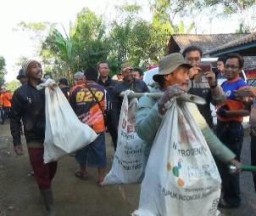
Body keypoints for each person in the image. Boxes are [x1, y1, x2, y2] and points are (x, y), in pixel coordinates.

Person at [135, 53, 240, 209]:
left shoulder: (187, 102)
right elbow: (143, 132)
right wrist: (162, 103)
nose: (188, 77)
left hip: (183, 172)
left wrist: (229, 158)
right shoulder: (149, 99)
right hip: (158, 174)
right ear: (168, 76)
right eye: (183, 73)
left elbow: (206, 134)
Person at [10, 59, 57, 216]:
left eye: (39, 66)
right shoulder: (21, 93)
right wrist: (17, 142)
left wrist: (55, 90)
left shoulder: (49, 87)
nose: (39, 68)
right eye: (34, 67)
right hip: (34, 139)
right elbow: (15, 118)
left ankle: (45, 187)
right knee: (41, 171)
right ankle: (49, 205)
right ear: (27, 72)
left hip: (51, 137)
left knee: (52, 168)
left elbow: (61, 107)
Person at [215, 53, 249, 208]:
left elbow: (247, 111)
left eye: (233, 66)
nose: (229, 69)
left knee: (232, 164)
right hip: (222, 127)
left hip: (233, 129)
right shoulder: (224, 84)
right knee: (222, 163)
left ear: (240, 68)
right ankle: (226, 195)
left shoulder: (241, 86)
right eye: (227, 65)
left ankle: (233, 199)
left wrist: (228, 114)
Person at [69, 69, 107, 186]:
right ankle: (101, 178)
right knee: (100, 151)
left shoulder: (75, 89)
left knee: (82, 150)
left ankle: (83, 171)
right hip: (98, 127)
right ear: (97, 77)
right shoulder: (103, 90)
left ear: (85, 77)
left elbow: (71, 108)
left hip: (82, 127)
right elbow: (106, 109)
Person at [182, 46, 225, 128]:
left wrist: (214, 85)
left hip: (205, 126)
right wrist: (188, 78)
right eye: (189, 59)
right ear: (184, 60)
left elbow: (220, 102)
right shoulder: (178, 77)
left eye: (196, 59)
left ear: (200, 59)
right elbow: (174, 99)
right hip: (185, 126)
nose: (193, 62)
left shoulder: (207, 76)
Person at [97, 61, 119, 150]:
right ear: (98, 70)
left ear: (109, 70)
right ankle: (99, 159)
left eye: (105, 68)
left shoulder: (116, 84)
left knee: (116, 136)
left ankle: (117, 156)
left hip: (113, 114)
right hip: (99, 114)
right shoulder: (95, 84)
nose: (104, 70)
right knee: (97, 137)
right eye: (101, 68)